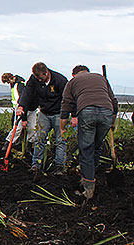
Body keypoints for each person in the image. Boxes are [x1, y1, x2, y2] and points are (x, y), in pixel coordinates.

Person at [60, 65, 117, 199]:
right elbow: (114, 103)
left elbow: (66, 105)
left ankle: (88, 190)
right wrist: (113, 122)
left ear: (73, 74)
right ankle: (91, 175)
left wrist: (62, 128)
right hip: (107, 113)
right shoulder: (101, 78)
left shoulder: (72, 82)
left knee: (86, 150)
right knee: (96, 147)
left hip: (87, 112)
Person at [16, 62, 68, 175]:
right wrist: (21, 106)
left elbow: (67, 99)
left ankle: (59, 166)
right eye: (37, 78)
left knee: (60, 141)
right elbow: (27, 93)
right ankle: (36, 166)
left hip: (59, 114)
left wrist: (68, 116)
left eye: (41, 78)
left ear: (46, 72)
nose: (39, 81)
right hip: (44, 113)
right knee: (39, 139)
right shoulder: (34, 79)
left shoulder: (60, 80)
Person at [0, 73, 37, 151]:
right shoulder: (15, 85)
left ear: (10, 78)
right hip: (19, 108)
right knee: (17, 128)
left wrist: (24, 119)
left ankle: (28, 146)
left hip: (25, 108)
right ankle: (8, 144)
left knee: (31, 128)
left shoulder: (20, 86)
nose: (8, 84)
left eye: (8, 82)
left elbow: (23, 103)